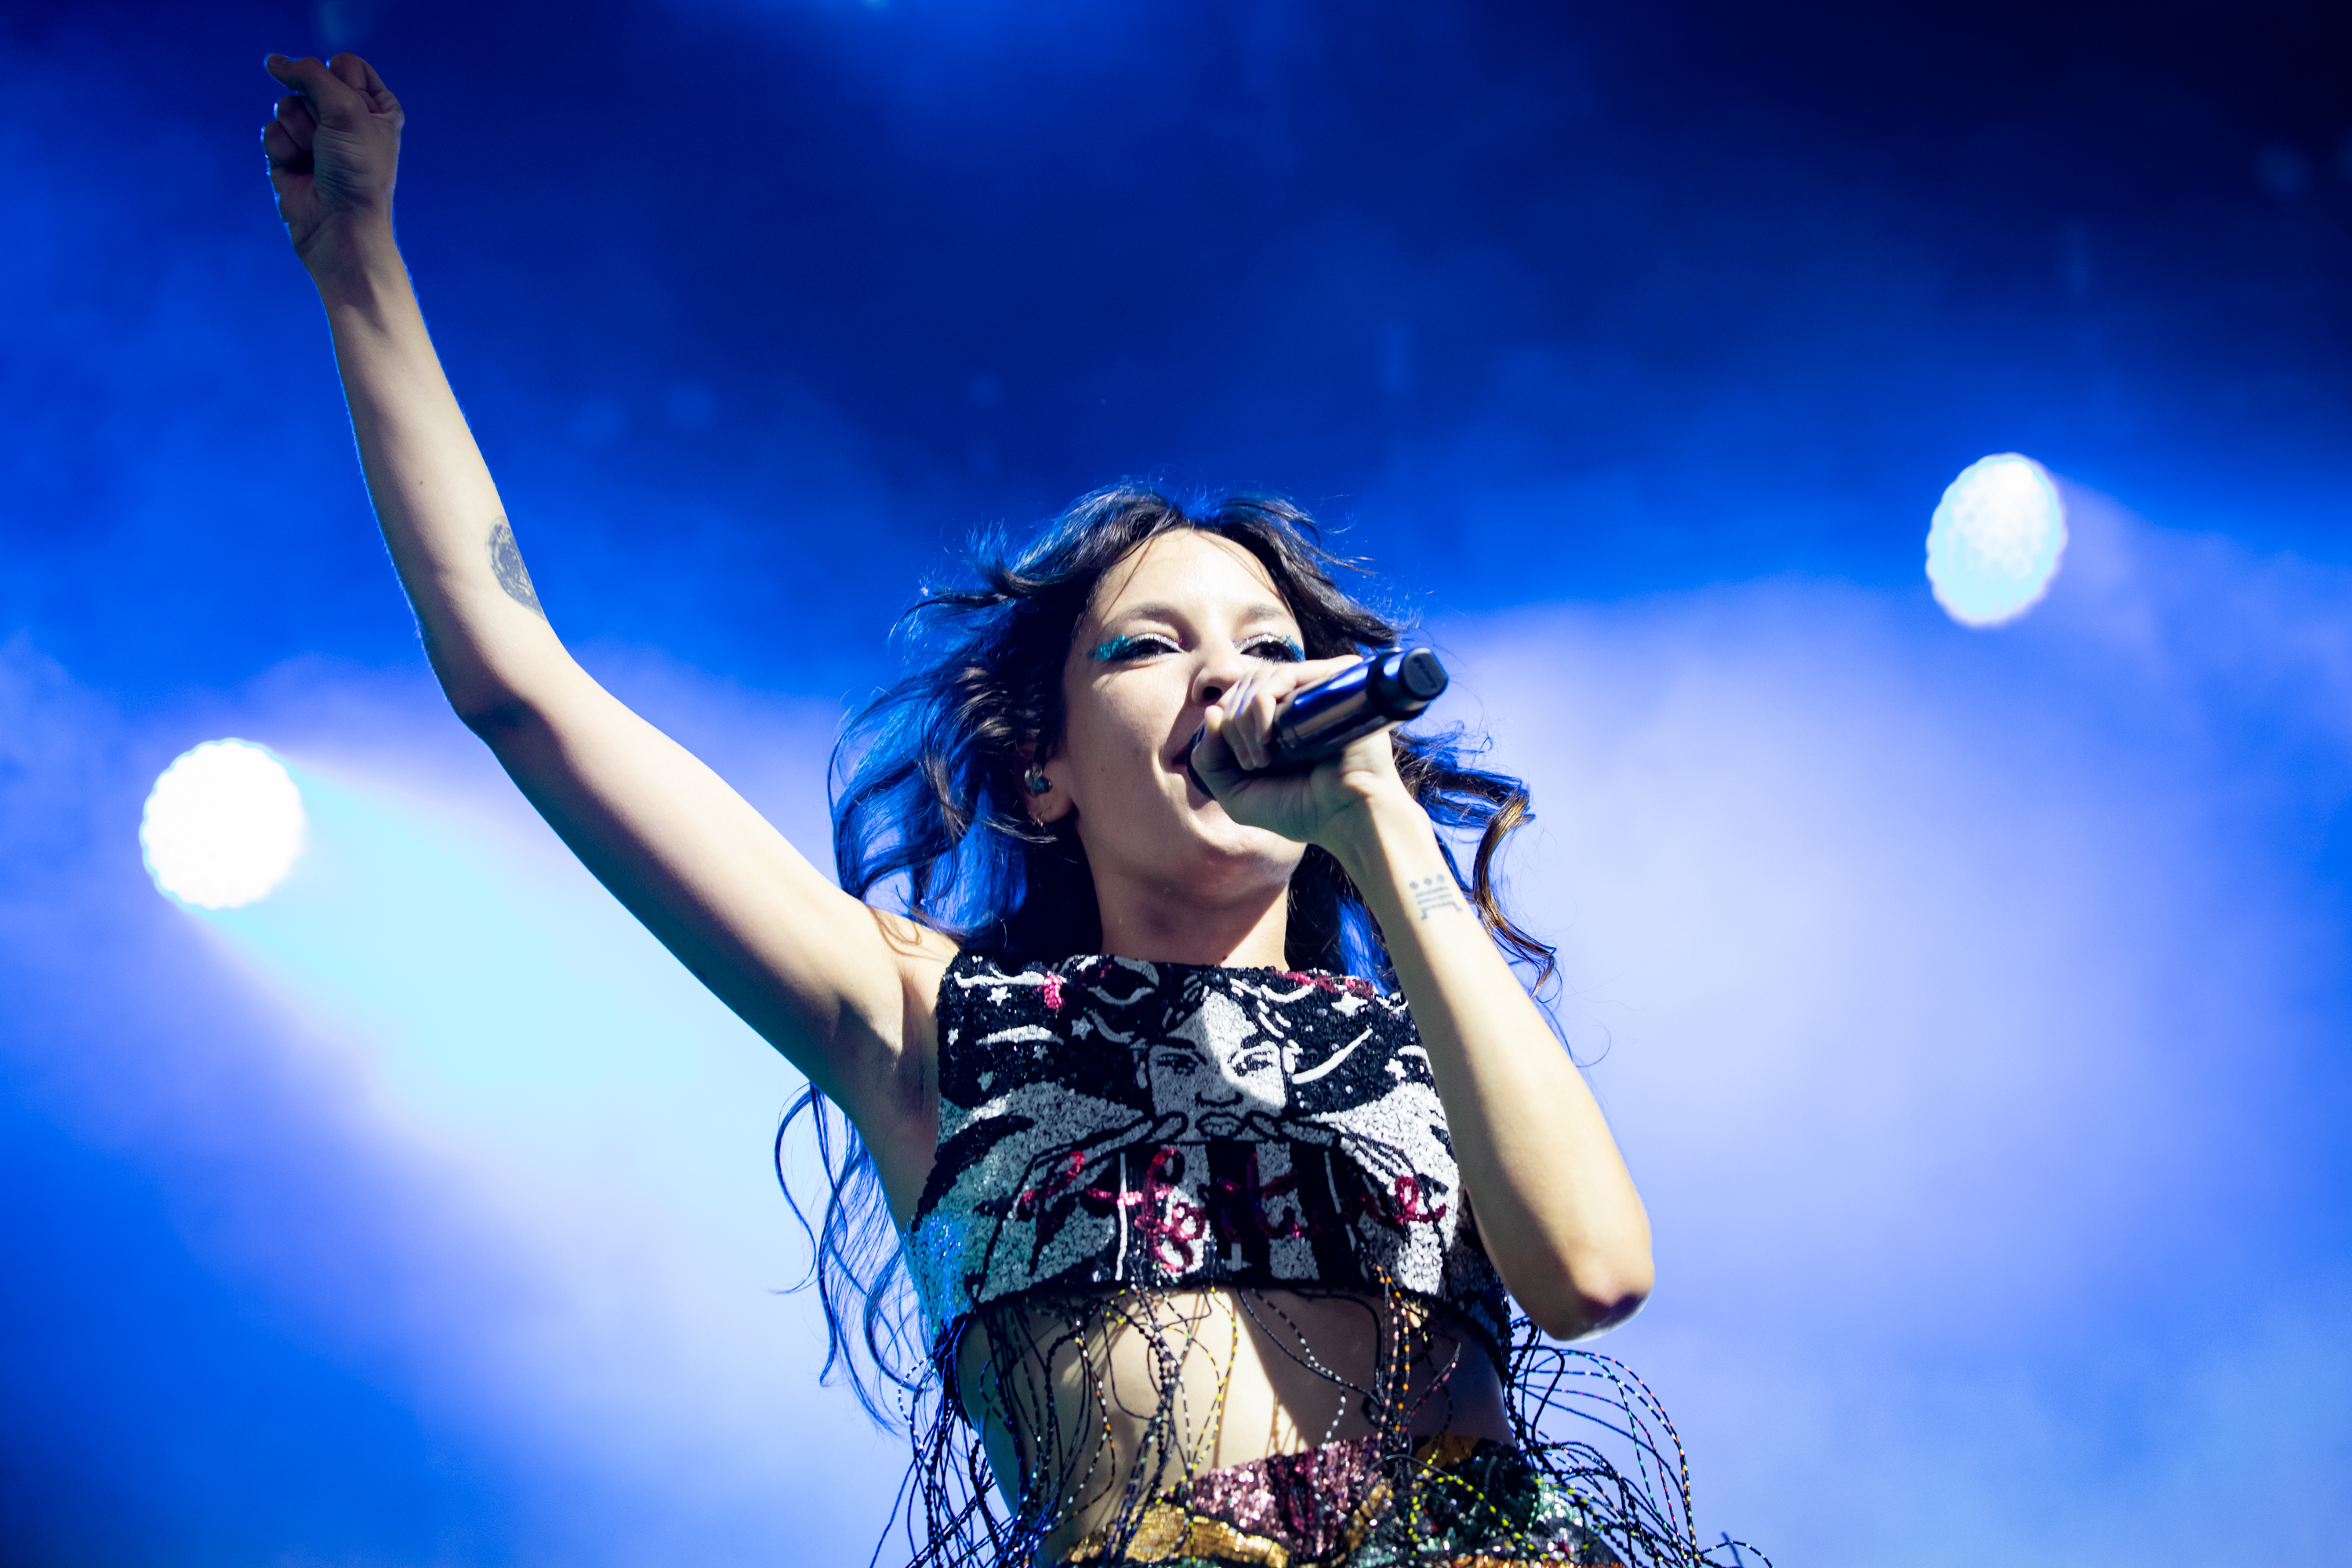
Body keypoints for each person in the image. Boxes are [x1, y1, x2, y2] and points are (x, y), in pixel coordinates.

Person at [261, 50, 1747, 1568]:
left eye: (1268, 650)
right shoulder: (929, 1018)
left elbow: (1590, 1271)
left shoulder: (1432, 1033)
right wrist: (360, 263)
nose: (1225, 679)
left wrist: (1376, 821)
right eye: (1151, 647)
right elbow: (520, 684)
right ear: (1046, 765)